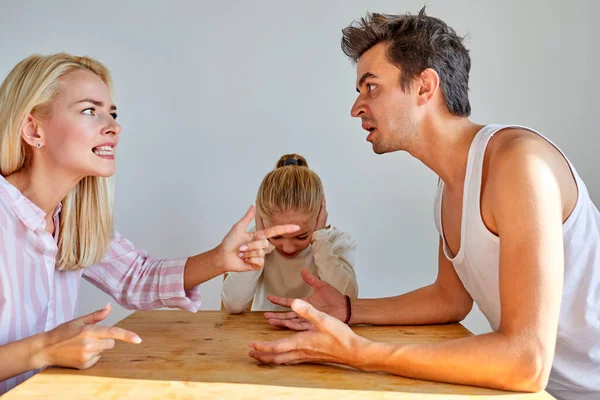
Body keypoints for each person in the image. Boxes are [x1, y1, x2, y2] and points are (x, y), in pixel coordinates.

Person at [248, 8, 600, 400]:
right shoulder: (453, 182)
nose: (357, 107)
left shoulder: (518, 166)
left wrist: (362, 354)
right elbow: (449, 299)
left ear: (424, 87)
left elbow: (526, 360)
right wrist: (348, 309)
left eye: (371, 87)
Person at [0, 52, 299, 394]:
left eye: (112, 113)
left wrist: (220, 259)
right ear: (32, 128)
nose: (113, 126)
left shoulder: (72, 219)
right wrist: (44, 349)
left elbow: (137, 278)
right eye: (89, 111)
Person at [222, 153, 358, 313]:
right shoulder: (252, 242)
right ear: (261, 217)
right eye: (276, 236)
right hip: (263, 331)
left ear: (320, 215)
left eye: (301, 236)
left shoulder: (337, 242)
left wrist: (319, 241)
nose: (288, 248)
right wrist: (258, 244)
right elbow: (232, 305)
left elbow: (348, 301)